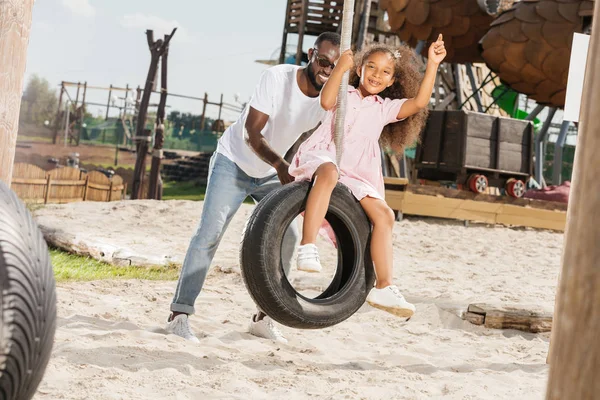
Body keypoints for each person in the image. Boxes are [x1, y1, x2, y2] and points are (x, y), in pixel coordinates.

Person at [166, 32, 341, 344]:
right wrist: (280, 166)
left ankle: (263, 318)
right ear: (311, 54)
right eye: (323, 61)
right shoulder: (276, 77)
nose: (327, 70)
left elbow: (303, 139)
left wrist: (294, 168)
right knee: (210, 233)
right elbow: (251, 133)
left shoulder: (327, 102)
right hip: (233, 161)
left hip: (271, 170)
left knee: (287, 236)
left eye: (335, 66)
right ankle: (179, 315)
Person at [290, 35, 447, 317]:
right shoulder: (343, 94)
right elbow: (326, 102)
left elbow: (420, 101)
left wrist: (433, 64)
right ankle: (307, 245)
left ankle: (384, 285)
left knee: (385, 216)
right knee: (328, 172)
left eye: (385, 72)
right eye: (371, 67)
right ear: (360, 69)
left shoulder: (383, 108)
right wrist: (340, 68)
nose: (377, 75)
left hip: (357, 172)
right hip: (327, 156)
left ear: (391, 81)